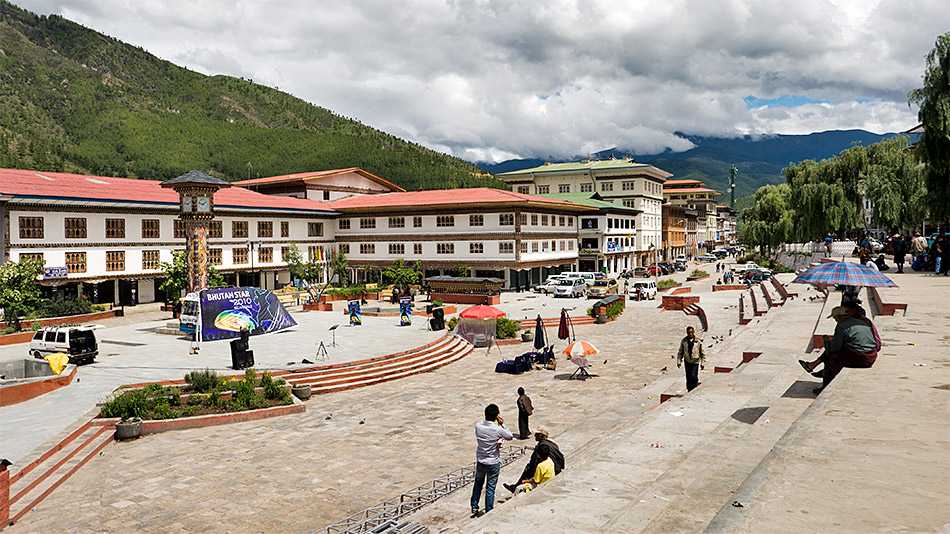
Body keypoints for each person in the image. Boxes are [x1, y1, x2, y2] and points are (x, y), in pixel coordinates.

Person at [799, 303, 880, 394]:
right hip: (872, 355)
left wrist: (826, 341)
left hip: (860, 358)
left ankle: (824, 386)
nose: (835, 320)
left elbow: (835, 348)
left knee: (830, 357)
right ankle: (814, 365)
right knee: (835, 351)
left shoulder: (842, 326)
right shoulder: (861, 322)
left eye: (835, 318)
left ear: (839, 317)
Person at [471, 404, 514, 517]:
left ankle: (474, 505)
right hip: (493, 462)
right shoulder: (497, 429)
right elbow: (509, 436)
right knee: (490, 487)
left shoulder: (478, 426)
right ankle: (489, 510)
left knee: (478, 483)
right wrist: (502, 423)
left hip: (481, 460)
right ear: (496, 416)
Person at [503, 427, 565, 493]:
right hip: (556, 468)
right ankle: (516, 486)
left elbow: (533, 463)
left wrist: (526, 477)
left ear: (542, 436)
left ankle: (516, 487)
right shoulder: (552, 443)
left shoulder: (541, 446)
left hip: (551, 469)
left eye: (537, 434)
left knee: (528, 468)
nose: (535, 435)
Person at [676, 326, 705, 391]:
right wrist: (679, 361)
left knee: (693, 376)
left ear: (693, 332)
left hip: (695, 362)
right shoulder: (684, 341)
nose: (690, 334)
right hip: (687, 361)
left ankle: (694, 388)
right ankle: (689, 390)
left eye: (691, 332)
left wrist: (702, 363)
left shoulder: (698, 341)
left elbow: (702, 353)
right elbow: (680, 352)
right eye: (688, 332)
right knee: (688, 377)